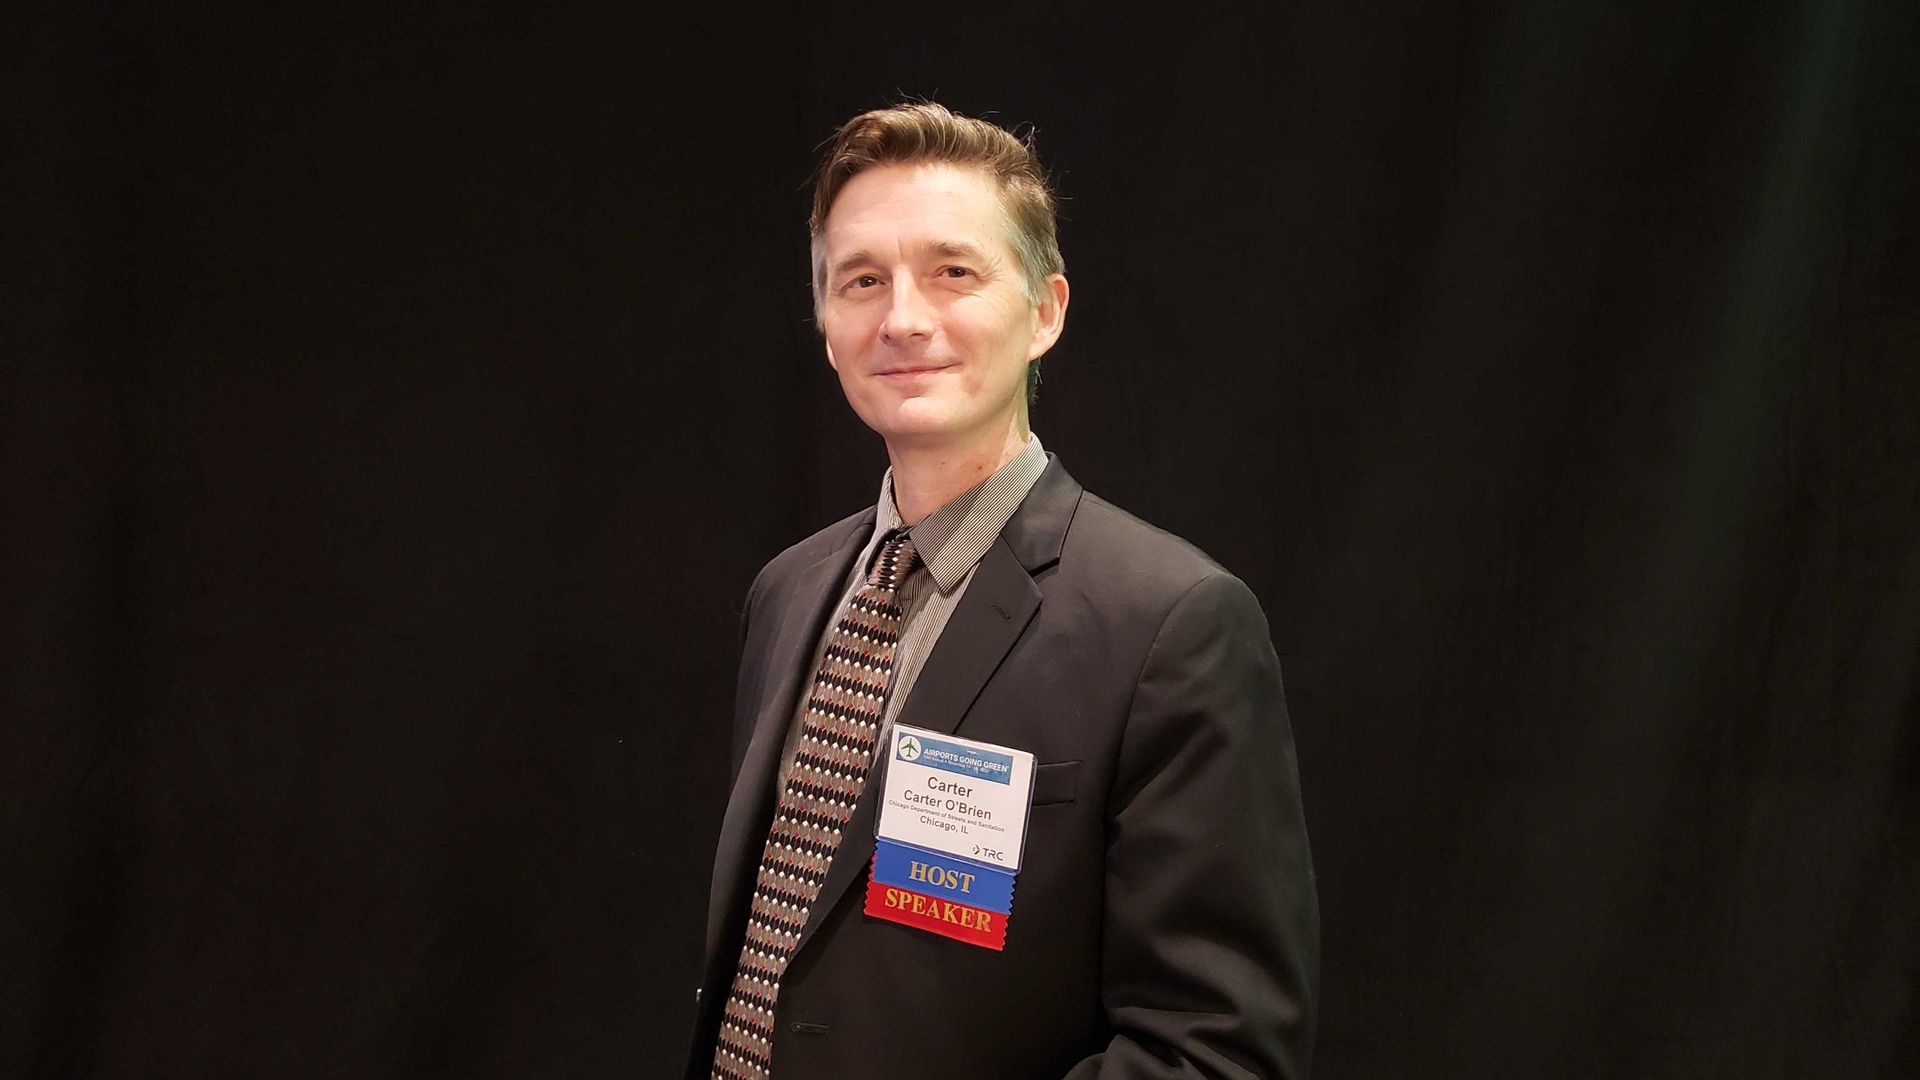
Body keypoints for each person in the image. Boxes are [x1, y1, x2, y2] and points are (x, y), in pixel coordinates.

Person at [686, 101, 1317, 1080]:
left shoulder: (1171, 626)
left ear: (1046, 311)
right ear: (824, 324)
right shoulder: (789, 591)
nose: (902, 317)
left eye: (954, 272)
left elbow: (1213, 1052)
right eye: (862, 280)